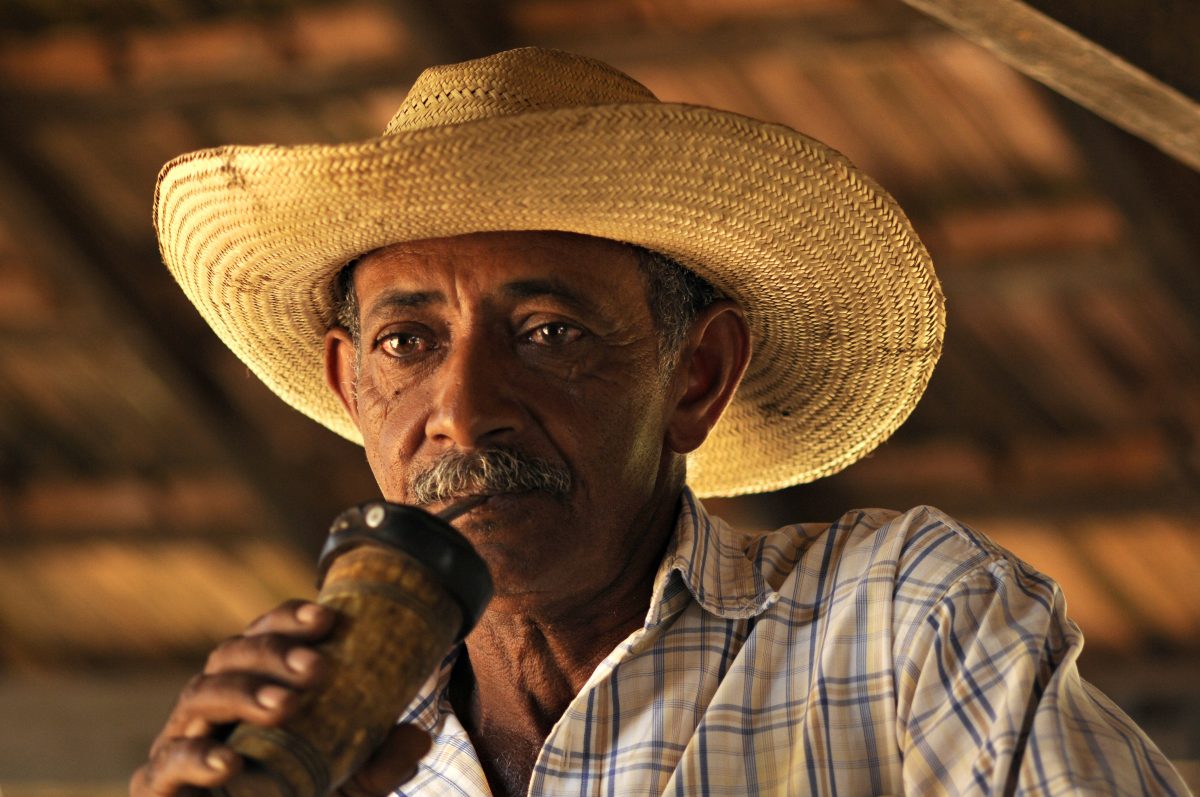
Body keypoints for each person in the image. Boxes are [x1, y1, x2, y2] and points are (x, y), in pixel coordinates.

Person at [133, 47, 1189, 796]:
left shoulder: (902, 626)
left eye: (548, 333)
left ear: (698, 376)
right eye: (406, 343)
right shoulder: (311, 745)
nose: (460, 409)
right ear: (350, 381)